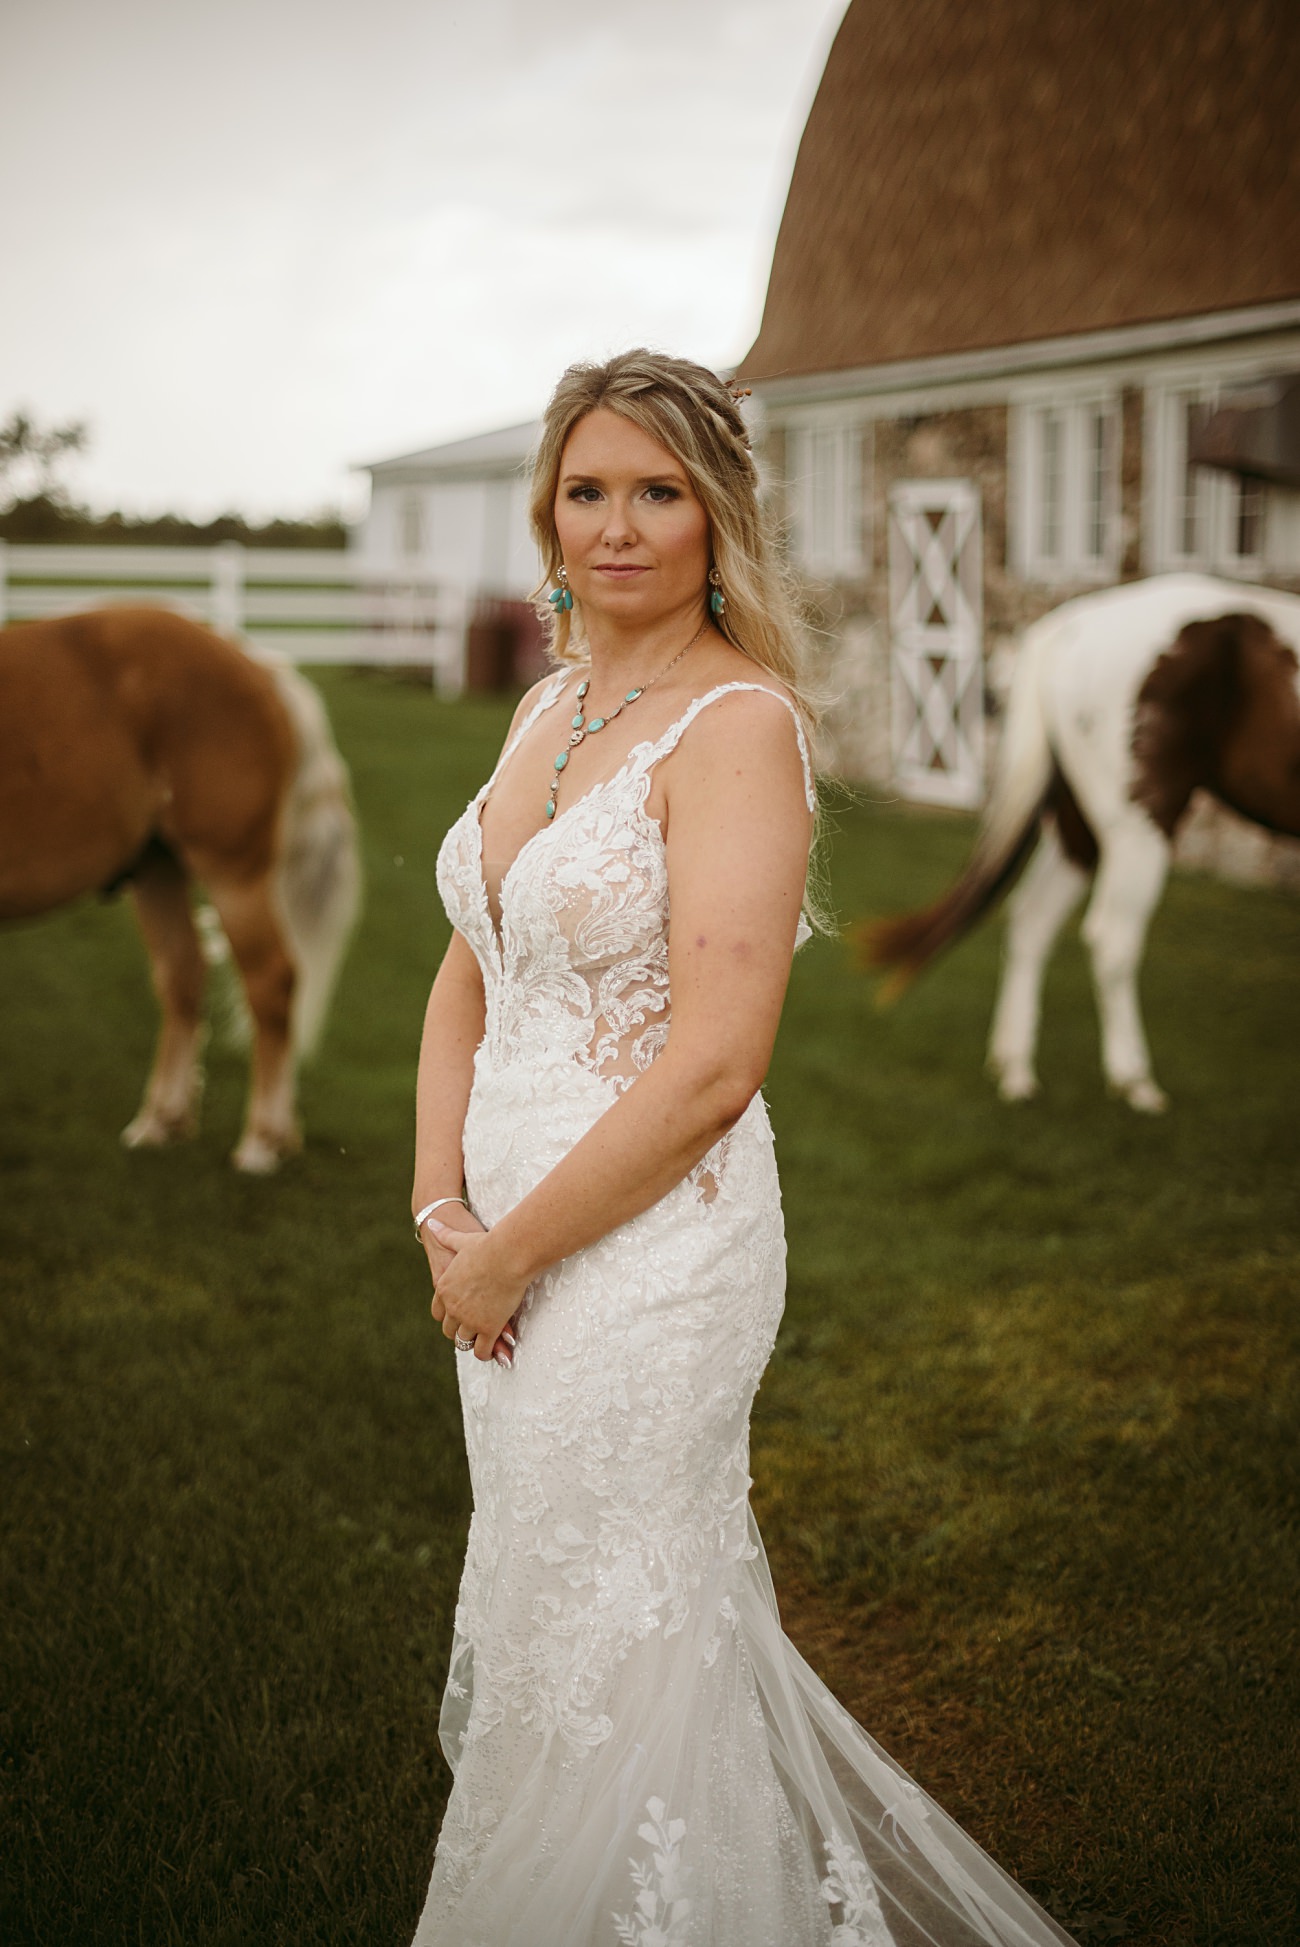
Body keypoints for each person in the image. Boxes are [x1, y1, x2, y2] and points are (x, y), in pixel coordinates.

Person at [408, 350, 1076, 1947]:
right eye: (589, 491)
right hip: (490, 1245)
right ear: (547, 516)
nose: (620, 526)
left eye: (659, 491)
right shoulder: (547, 703)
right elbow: (468, 967)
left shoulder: (738, 726)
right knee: (542, 1602)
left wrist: (512, 1245)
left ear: (719, 518)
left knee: (624, 1631)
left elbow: (716, 1064)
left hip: (645, 1261)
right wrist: (439, 1200)